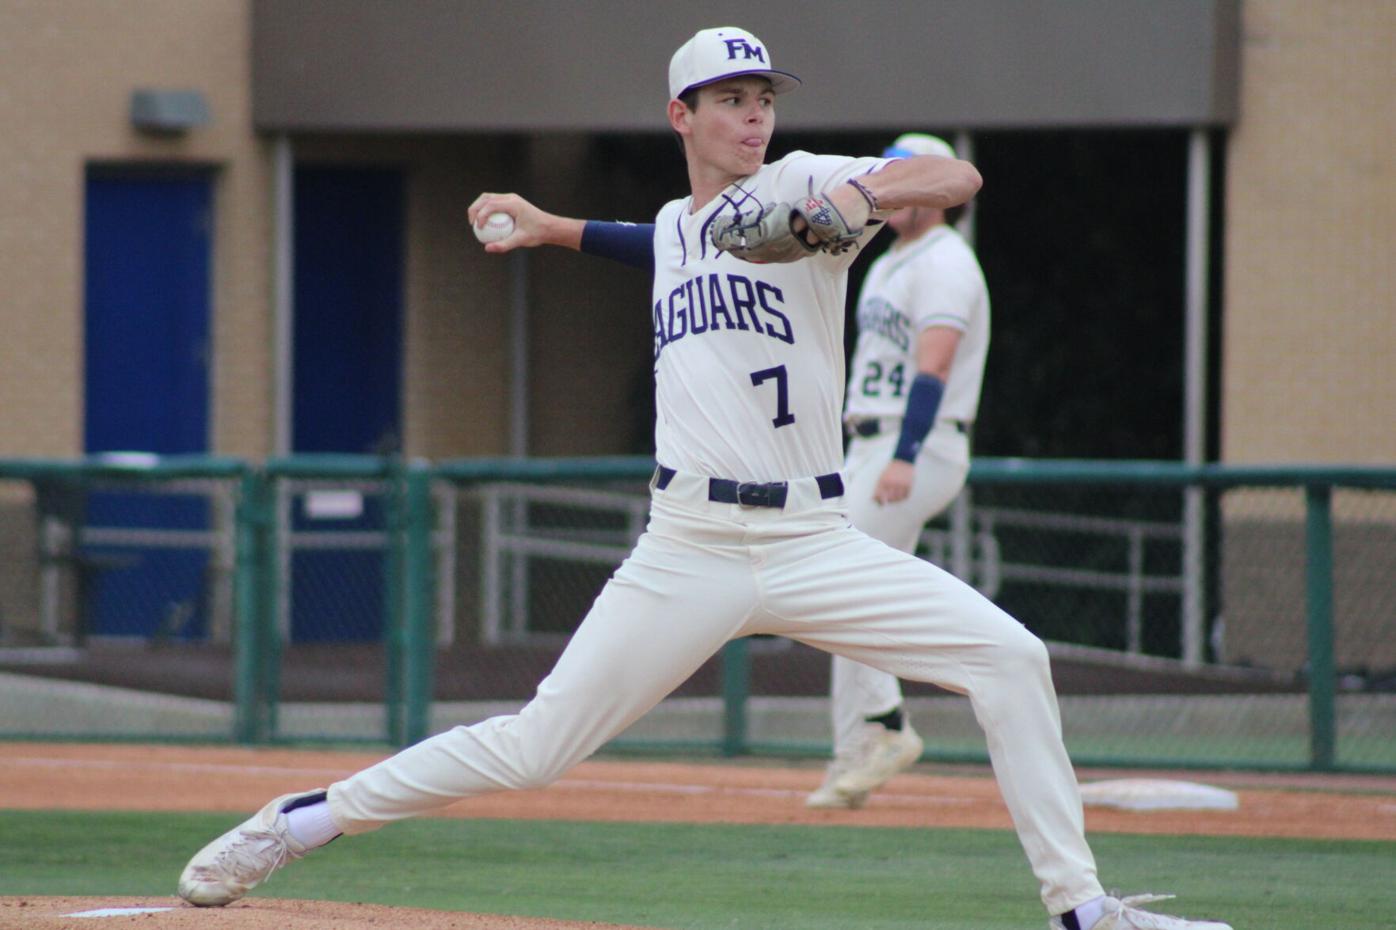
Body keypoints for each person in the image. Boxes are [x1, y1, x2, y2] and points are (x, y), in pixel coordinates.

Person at [176, 26, 1231, 930]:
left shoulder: (802, 184)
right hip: (686, 547)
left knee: (1011, 657)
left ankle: (1082, 909)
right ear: (680, 114)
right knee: (538, 747)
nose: (753, 116)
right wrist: (552, 228)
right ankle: (297, 824)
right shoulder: (682, 227)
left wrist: (849, 199)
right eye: (730, 100)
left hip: (815, 541)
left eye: (762, 97)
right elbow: (665, 242)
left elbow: (954, 177)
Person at [804, 130, 988, 809]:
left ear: (934, 189)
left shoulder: (947, 261)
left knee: (840, 580)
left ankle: (886, 725)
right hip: (870, 443)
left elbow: (934, 364)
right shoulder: (887, 261)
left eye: (909, 176)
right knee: (840, 589)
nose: (897, 187)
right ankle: (852, 754)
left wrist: (906, 455)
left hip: (918, 442)